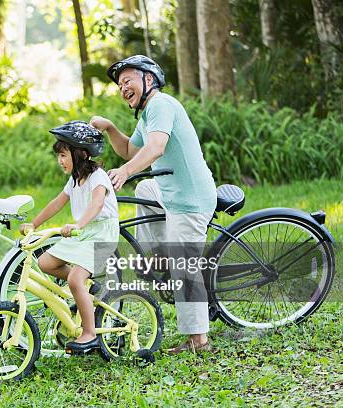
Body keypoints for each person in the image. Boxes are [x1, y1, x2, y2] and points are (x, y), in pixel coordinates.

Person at [90, 55, 217, 354]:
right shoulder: (148, 115)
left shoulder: (161, 104)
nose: (123, 88)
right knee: (147, 187)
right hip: (172, 193)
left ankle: (199, 340)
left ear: (149, 79)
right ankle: (156, 259)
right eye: (120, 85)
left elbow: (156, 148)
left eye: (127, 80)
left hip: (190, 200)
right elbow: (130, 150)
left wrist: (124, 172)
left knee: (184, 265)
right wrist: (110, 128)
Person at [20, 121, 119, 354]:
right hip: (82, 232)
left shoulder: (98, 177)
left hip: (100, 233)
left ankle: (90, 333)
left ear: (82, 154)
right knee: (46, 262)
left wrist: (78, 224)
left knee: (74, 279)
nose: (60, 161)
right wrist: (34, 224)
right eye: (59, 156)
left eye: (64, 155)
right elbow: (57, 202)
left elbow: (96, 204)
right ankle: (90, 287)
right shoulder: (74, 179)